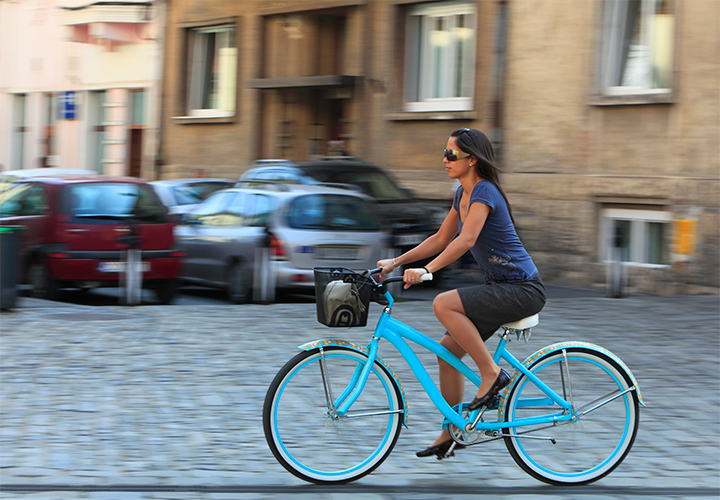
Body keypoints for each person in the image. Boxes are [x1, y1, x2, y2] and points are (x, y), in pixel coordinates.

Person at [377, 128, 546, 459]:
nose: (445, 159)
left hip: (522, 289)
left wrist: (428, 271)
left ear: (472, 159)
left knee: (443, 303)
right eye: (444, 152)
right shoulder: (462, 195)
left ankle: (491, 374)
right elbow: (441, 238)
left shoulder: (485, 192)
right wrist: (396, 262)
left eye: (451, 154)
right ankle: (450, 433)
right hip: (500, 287)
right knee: (447, 353)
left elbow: (466, 240)